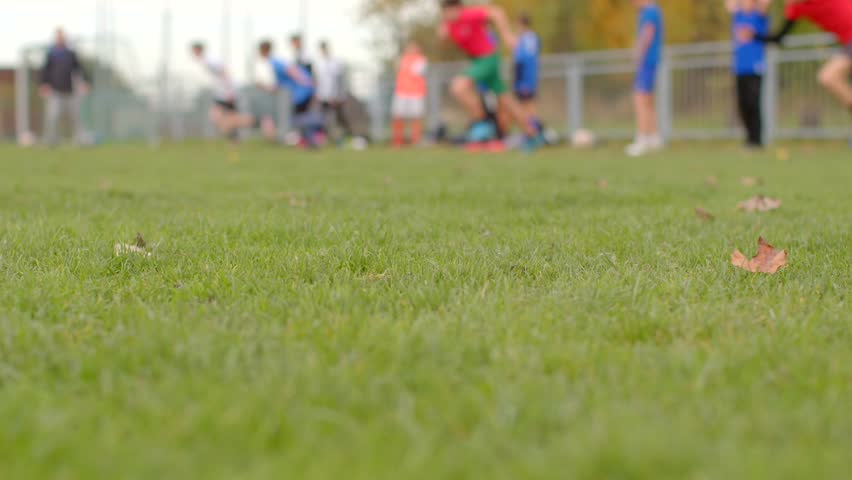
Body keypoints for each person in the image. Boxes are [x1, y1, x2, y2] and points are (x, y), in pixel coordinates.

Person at [439, 0, 543, 150]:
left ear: (458, 8)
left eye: (449, 10)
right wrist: (443, 33)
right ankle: (533, 133)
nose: (448, 14)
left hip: (487, 58)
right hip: (478, 60)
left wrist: (507, 36)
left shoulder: (468, 15)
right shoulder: (449, 25)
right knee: (506, 99)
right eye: (445, 12)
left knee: (458, 87)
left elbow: (496, 12)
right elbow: (446, 39)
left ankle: (483, 124)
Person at [219, 40, 324, 147]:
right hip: (288, 95)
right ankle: (304, 139)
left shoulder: (274, 62)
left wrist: (307, 81)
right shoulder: (266, 63)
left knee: (295, 119)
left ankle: (306, 139)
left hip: (294, 95)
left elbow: (291, 72)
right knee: (289, 119)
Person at [755, 0, 852, 113]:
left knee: (829, 76)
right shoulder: (796, 8)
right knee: (828, 77)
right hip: (849, 43)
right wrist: (755, 35)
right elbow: (778, 38)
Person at [727, 0, 771, 149]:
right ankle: (749, 139)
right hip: (739, 67)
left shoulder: (759, 16)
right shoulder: (738, 16)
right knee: (743, 104)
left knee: (753, 103)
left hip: (755, 67)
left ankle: (757, 140)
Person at [626, 0, 665, 157]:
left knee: (640, 98)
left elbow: (648, 32)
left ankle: (642, 138)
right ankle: (654, 138)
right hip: (652, 60)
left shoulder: (649, 11)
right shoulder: (654, 10)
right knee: (648, 100)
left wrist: (638, 52)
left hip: (647, 61)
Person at [40, 28, 90, 146]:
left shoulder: (71, 54)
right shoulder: (51, 54)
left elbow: (79, 68)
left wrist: (85, 81)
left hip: (71, 91)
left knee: (76, 117)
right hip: (55, 92)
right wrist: (44, 84)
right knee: (53, 117)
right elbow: (45, 71)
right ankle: (51, 141)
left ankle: (79, 140)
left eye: (62, 37)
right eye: (59, 37)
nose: (61, 39)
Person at [190, 41, 238, 141]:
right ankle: (233, 137)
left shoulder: (209, 61)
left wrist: (229, 90)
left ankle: (256, 122)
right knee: (227, 117)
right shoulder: (206, 61)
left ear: (199, 50)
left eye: (194, 51)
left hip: (225, 93)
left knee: (219, 117)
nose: (194, 54)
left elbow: (224, 72)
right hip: (223, 92)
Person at [392, 41, 428, 147]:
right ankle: (397, 141)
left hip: (416, 93)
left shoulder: (421, 60)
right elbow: (398, 69)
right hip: (401, 92)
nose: (411, 50)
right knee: (398, 116)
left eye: (413, 48)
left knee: (416, 117)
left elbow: (416, 72)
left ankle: (416, 140)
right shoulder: (402, 59)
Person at [316, 41, 352, 140]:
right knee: (323, 118)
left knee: (339, 118)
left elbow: (338, 81)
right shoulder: (319, 63)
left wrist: (336, 96)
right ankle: (325, 137)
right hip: (324, 96)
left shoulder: (335, 63)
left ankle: (342, 138)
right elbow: (319, 81)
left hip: (335, 97)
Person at [514, 13, 542, 131]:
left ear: (522, 24)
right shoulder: (534, 38)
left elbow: (521, 60)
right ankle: (534, 131)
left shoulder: (523, 39)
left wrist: (518, 79)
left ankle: (532, 132)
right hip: (532, 77)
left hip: (524, 77)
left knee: (525, 107)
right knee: (530, 106)